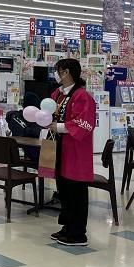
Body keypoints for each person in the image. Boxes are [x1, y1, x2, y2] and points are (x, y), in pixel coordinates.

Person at [47, 58, 95, 247]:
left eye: (58, 71)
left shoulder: (82, 96)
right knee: (64, 188)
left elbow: (84, 123)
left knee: (76, 189)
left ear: (66, 72)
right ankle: (67, 226)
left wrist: (58, 127)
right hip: (60, 147)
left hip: (76, 150)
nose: (56, 75)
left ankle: (78, 233)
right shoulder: (58, 94)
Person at [6, 92, 42, 163]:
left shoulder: (14, 116)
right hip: (35, 155)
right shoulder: (35, 122)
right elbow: (37, 133)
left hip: (18, 153)